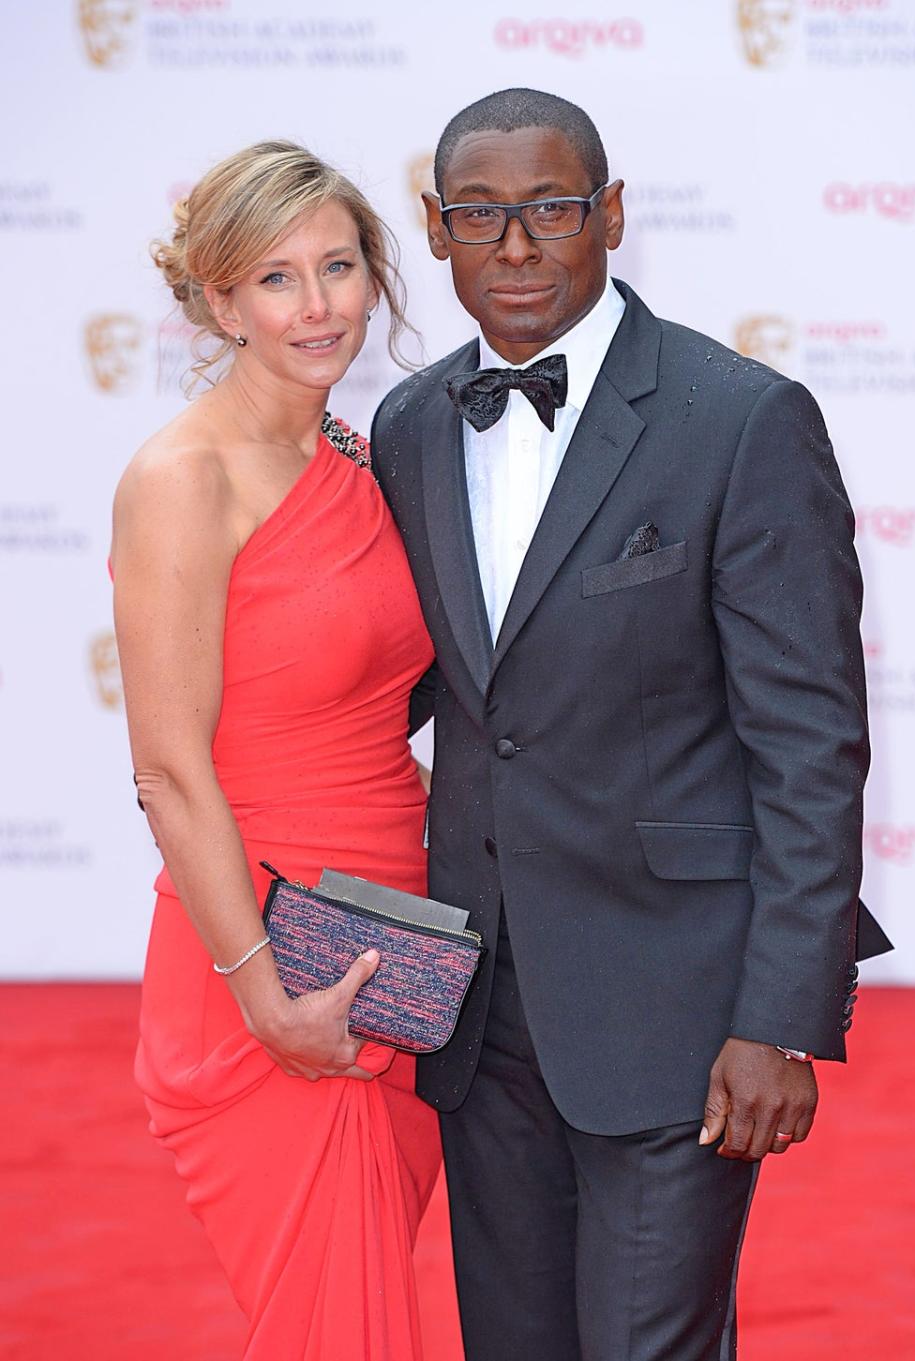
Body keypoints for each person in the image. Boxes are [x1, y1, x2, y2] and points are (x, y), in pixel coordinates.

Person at [371, 89, 893, 1361]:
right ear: (436, 232)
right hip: (482, 1013)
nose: (516, 245)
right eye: (481, 215)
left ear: (609, 214)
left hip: (680, 1007)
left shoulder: (741, 418)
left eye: (550, 207)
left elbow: (811, 745)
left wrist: (781, 1013)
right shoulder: (407, 427)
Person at [112, 140, 451, 1361]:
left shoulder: (358, 458)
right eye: (275, 278)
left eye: (339, 267)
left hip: (399, 950)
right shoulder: (181, 479)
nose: (318, 307)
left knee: (357, 1311)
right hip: (268, 954)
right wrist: (266, 996)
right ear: (219, 301)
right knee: (339, 1327)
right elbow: (167, 768)